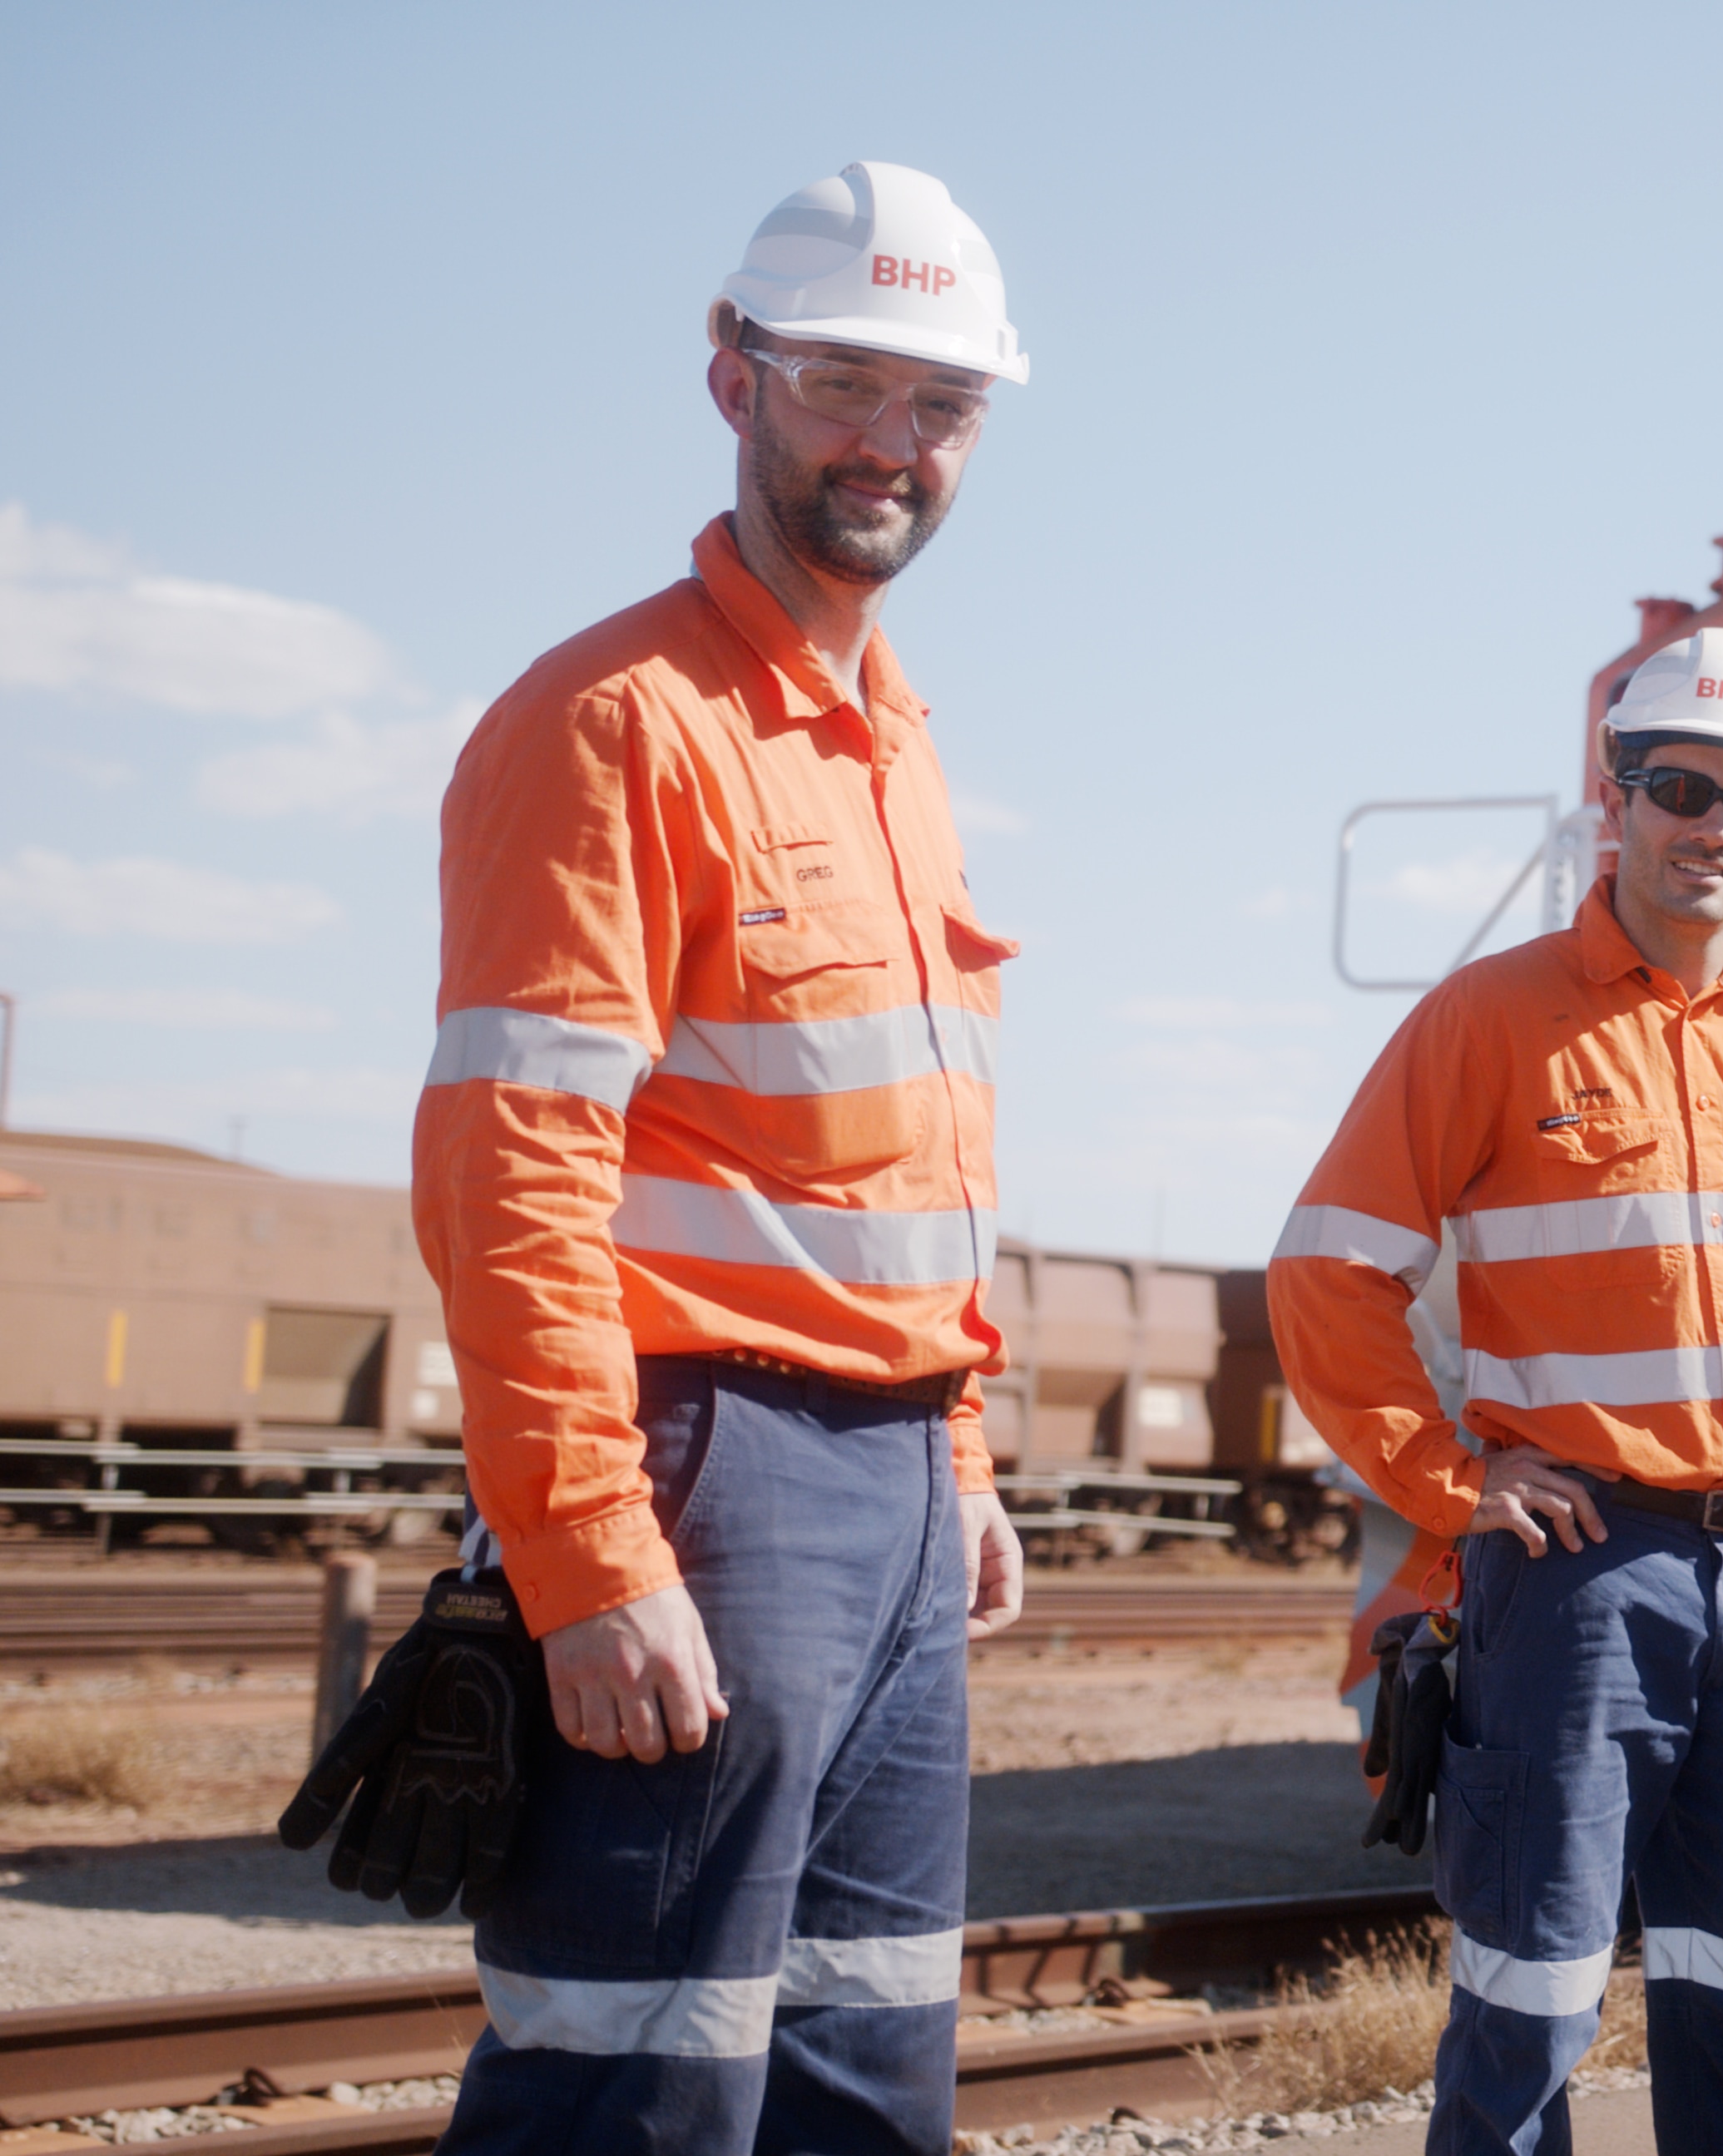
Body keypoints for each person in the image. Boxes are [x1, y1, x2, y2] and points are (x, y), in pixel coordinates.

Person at [408, 161, 1032, 2156]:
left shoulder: (890, 741)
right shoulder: (613, 723)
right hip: (711, 1473)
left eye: (941, 408)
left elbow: (894, 1172)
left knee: (866, 2068)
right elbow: (515, 1165)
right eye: (847, 382)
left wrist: (958, 1459)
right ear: (734, 375)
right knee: (634, 2079)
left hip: (896, 1487)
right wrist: (590, 1561)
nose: (892, 446)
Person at [1269, 626, 1723, 2154]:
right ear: (1616, 798)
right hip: (1578, 1580)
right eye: (1680, 788)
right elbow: (1326, 1270)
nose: (1712, 825)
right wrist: (1452, 1483)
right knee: (1526, 2011)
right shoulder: (1488, 1020)